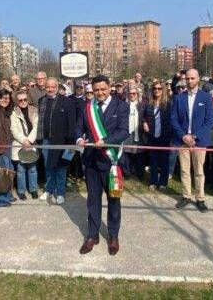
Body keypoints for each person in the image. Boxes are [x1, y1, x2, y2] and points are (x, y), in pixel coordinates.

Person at [75, 74, 129, 256]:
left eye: (103, 89)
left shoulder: (121, 106)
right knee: (93, 200)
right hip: (91, 162)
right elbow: (78, 127)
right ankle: (92, 235)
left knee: (114, 199)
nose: (100, 93)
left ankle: (113, 236)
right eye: (96, 90)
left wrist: (105, 141)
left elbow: (123, 132)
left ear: (110, 87)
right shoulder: (87, 108)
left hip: (112, 162)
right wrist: (78, 138)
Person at [171, 69, 213, 213]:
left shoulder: (206, 97)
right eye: (187, 78)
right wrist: (184, 136)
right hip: (182, 139)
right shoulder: (179, 97)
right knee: (184, 170)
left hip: (199, 141)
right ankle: (186, 196)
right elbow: (174, 119)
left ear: (198, 79)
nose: (189, 81)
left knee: (199, 171)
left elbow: (209, 121)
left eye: (192, 78)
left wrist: (194, 137)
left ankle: (200, 198)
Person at [37, 77, 77, 205]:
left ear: (57, 87)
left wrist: (71, 142)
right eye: (48, 87)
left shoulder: (67, 102)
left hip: (62, 141)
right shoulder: (41, 100)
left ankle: (60, 193)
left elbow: (72, 123)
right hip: (46, 140)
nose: (50, 89)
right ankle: (49, 189)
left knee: (60, 167)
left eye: (53, 87)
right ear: (45, 87)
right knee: (48, 166)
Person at [143, 81, 172, 190]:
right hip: (152, 135)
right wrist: (144, 122)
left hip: (165, 136)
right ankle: (153, 181)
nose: (157, 90)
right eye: (155, 88)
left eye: (159, 88)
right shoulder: (149, 103)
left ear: (163, 90)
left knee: (164, 160)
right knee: (153, 160)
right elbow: (144, 116)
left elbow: (172, 120)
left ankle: (163, 182)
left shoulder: (169, 103)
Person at [10, 90, 39, 200]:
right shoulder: (14, 112)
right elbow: (13, 129)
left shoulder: (34, 110)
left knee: (32, 169)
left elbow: (36, 127)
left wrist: (29, 141)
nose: (23, 101)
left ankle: (33, 189)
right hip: (19, 144)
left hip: (32, 143)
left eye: (25, 99)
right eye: (20, 100)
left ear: (28, 99)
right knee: (21, 170)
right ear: (17, 101)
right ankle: (21, 191)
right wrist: (24, 141)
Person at [120, 86, 145, 178]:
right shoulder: (123, 105)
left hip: (139, 132)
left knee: (139, 153)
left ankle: (139, 173)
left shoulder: (142, 105)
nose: (132, 95)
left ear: (137, 95)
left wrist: (145, 123)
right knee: (126, 153)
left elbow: (145, 117)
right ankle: (127, 173)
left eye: (134, 93)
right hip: (127, 132)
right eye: (130, 94)